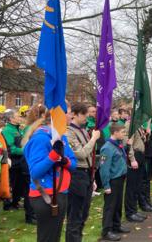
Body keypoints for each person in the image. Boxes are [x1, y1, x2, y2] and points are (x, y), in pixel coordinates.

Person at [24, 109, 77, 242]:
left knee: (54, 236)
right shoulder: (40, 138)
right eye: (68, 112)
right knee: (47, 237)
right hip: (45, 195)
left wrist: (64, 160)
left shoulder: (61, 136)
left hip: (61, 192)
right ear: (57, 115)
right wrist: (53, 155)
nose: (71, 115)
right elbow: (35, 171)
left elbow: (73, 164)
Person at [65, 103, 101, 242]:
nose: (86, 117)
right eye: (83, 114)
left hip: (87, 174)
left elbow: (90, 155)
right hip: (76, 175)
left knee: (84, 213)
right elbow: (81, 153)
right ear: (74, 114)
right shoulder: (68, 132)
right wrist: (93, 139)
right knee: (75, 214)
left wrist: (93, 178)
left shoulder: (83, 130)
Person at [1, 109, 36, 225]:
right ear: (11, 119)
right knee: (12, 184)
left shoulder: (18, 129)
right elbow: (11, 148)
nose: (20, 117)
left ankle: (15, 202)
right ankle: (8, 204)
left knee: (21, 187)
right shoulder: (7, 130)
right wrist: (26, 150)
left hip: (22, 163)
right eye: (17, 116)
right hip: (14, 163)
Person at [99, 123, 130, 241]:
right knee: (110, 206)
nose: (124, 134)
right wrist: (106, 185)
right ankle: (106, 231)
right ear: (115, 132)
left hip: (120, 178)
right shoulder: (107, 147)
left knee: (117, 204)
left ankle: (116, 225)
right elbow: (104, 168)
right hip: (113, 180)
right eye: (122, 132)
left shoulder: (118, 144)